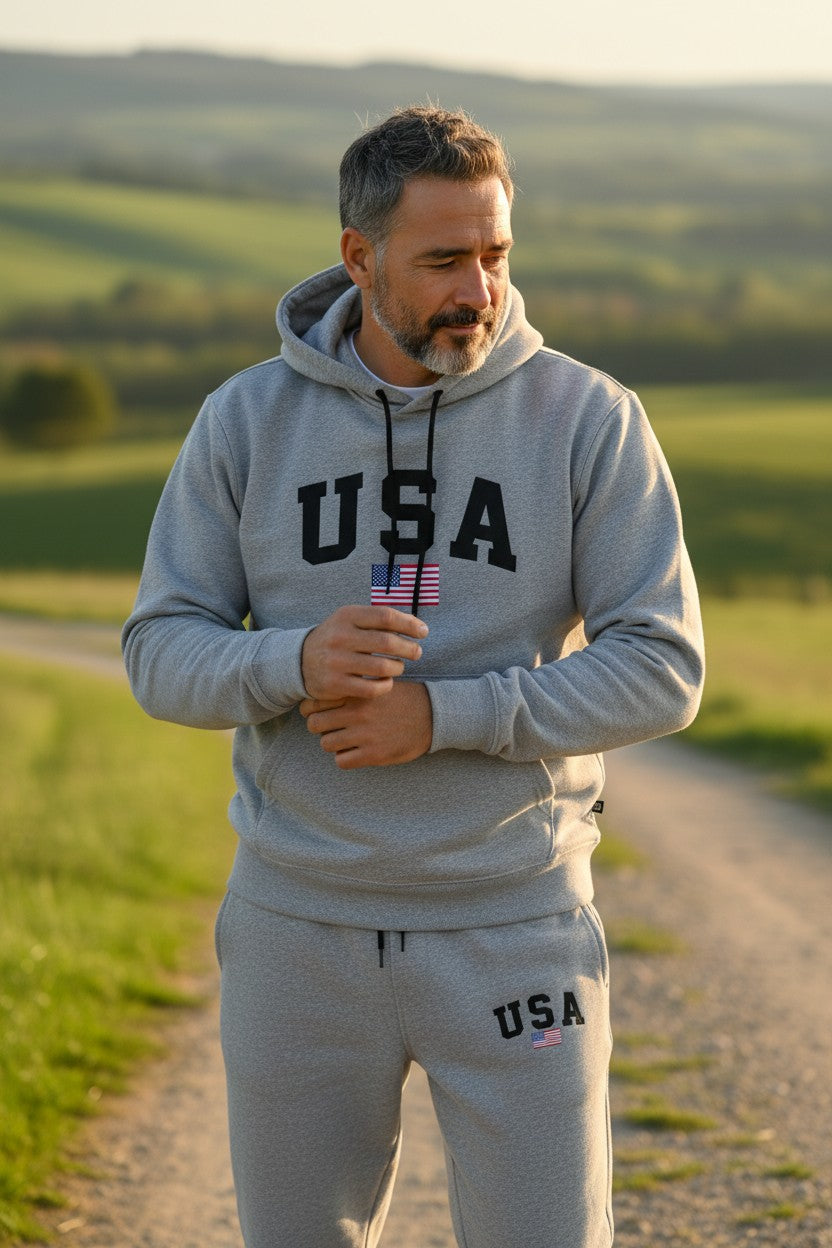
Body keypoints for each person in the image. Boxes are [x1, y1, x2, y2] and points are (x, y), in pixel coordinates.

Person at [122, 105, 704, 1248]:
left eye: (495, 256)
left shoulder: (589, 420)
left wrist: (445, 714)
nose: (478, 291)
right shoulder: (243, 422)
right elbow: (158, 651)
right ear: (359, 256)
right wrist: (291, 661)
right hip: (298, 930)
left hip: (516, 924)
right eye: (444, 260)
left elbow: (664, 666)